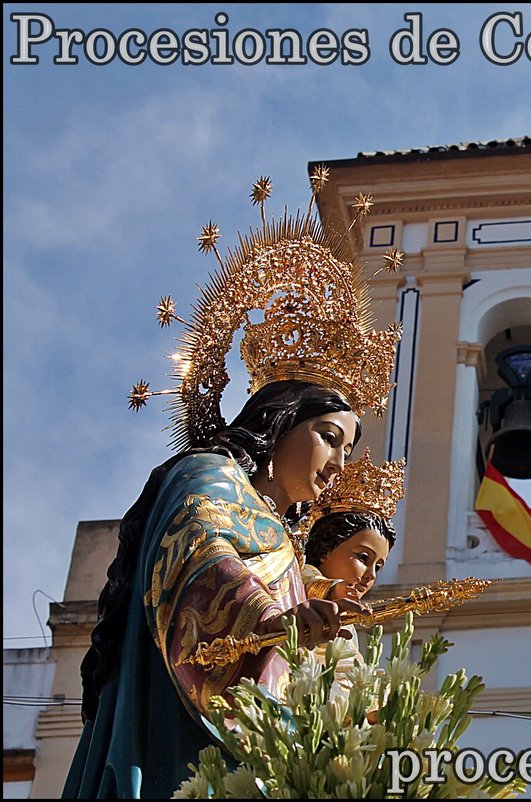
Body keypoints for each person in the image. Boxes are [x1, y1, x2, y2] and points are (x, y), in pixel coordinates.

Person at [62, 175, 400, 798]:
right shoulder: (207, 477)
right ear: (279, 423)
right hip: (182, 743)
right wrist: (282, 621)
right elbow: (200, 564)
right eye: (329, 436)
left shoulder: (289, 544)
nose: (338, 462)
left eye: (348, 447)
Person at [299, 449, 405, 696]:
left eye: (378, 567)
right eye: (363, 558)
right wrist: (331, 588)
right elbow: (306, 579)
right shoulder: (295, 576)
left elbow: (349, 669)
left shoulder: (349, 623)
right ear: (325, 548)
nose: (371, 576)